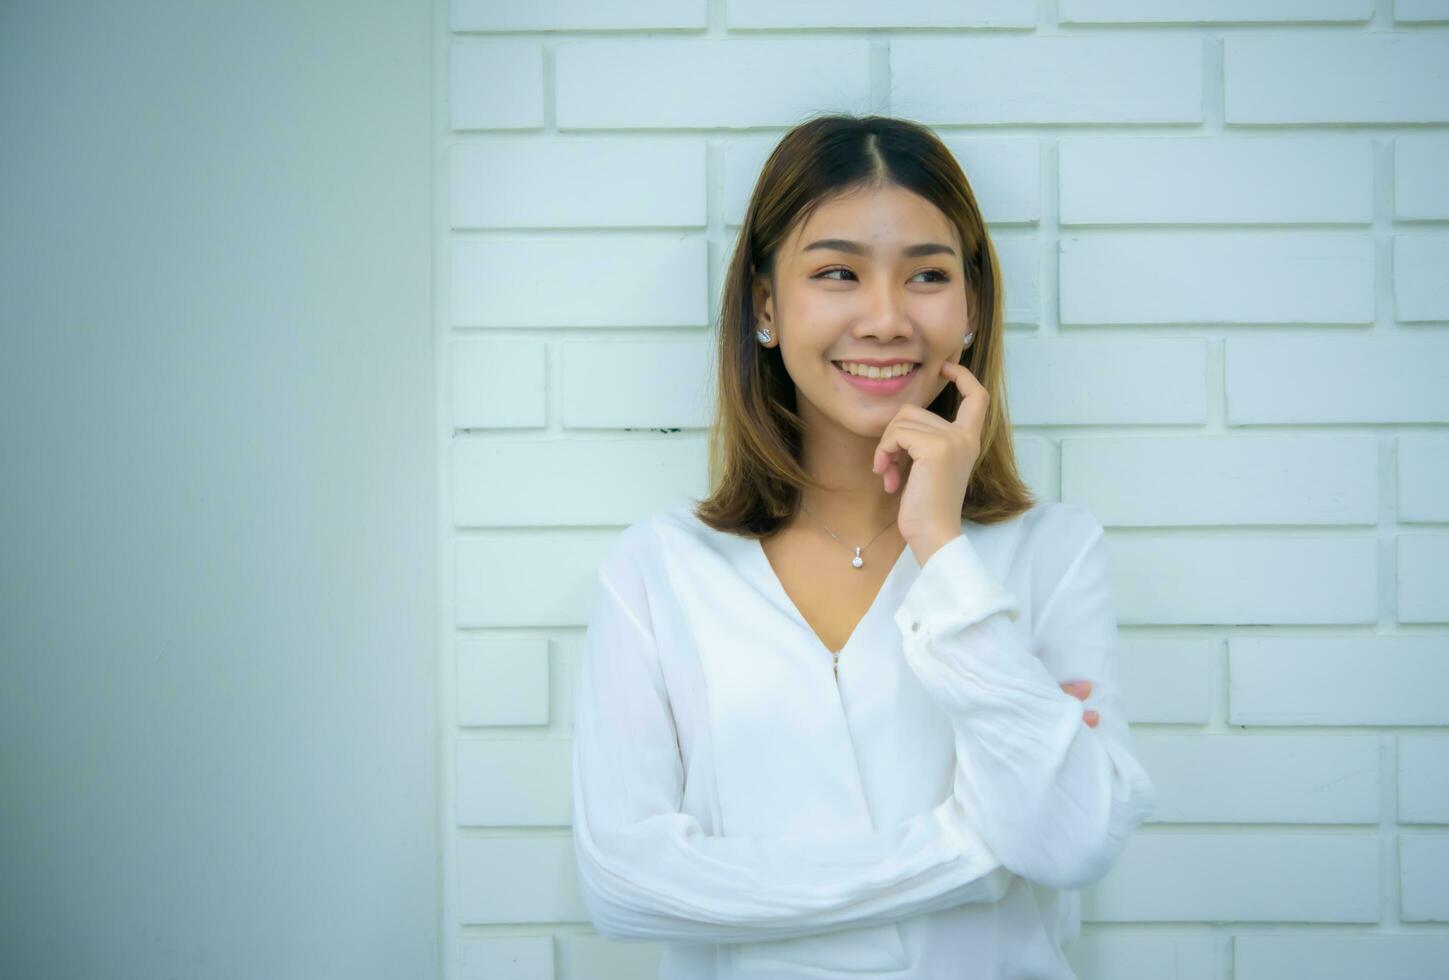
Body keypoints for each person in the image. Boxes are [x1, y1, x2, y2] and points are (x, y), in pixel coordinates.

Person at [570, 113, 1156, 979]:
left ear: (971, 307)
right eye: (837, 273)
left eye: (927, 275)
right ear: (765, 305)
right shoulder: (656, 573)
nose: (884, 319)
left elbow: (1067, 846)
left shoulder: (1053, 553)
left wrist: (941, 547)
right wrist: (968, 852)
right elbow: (624, 884)